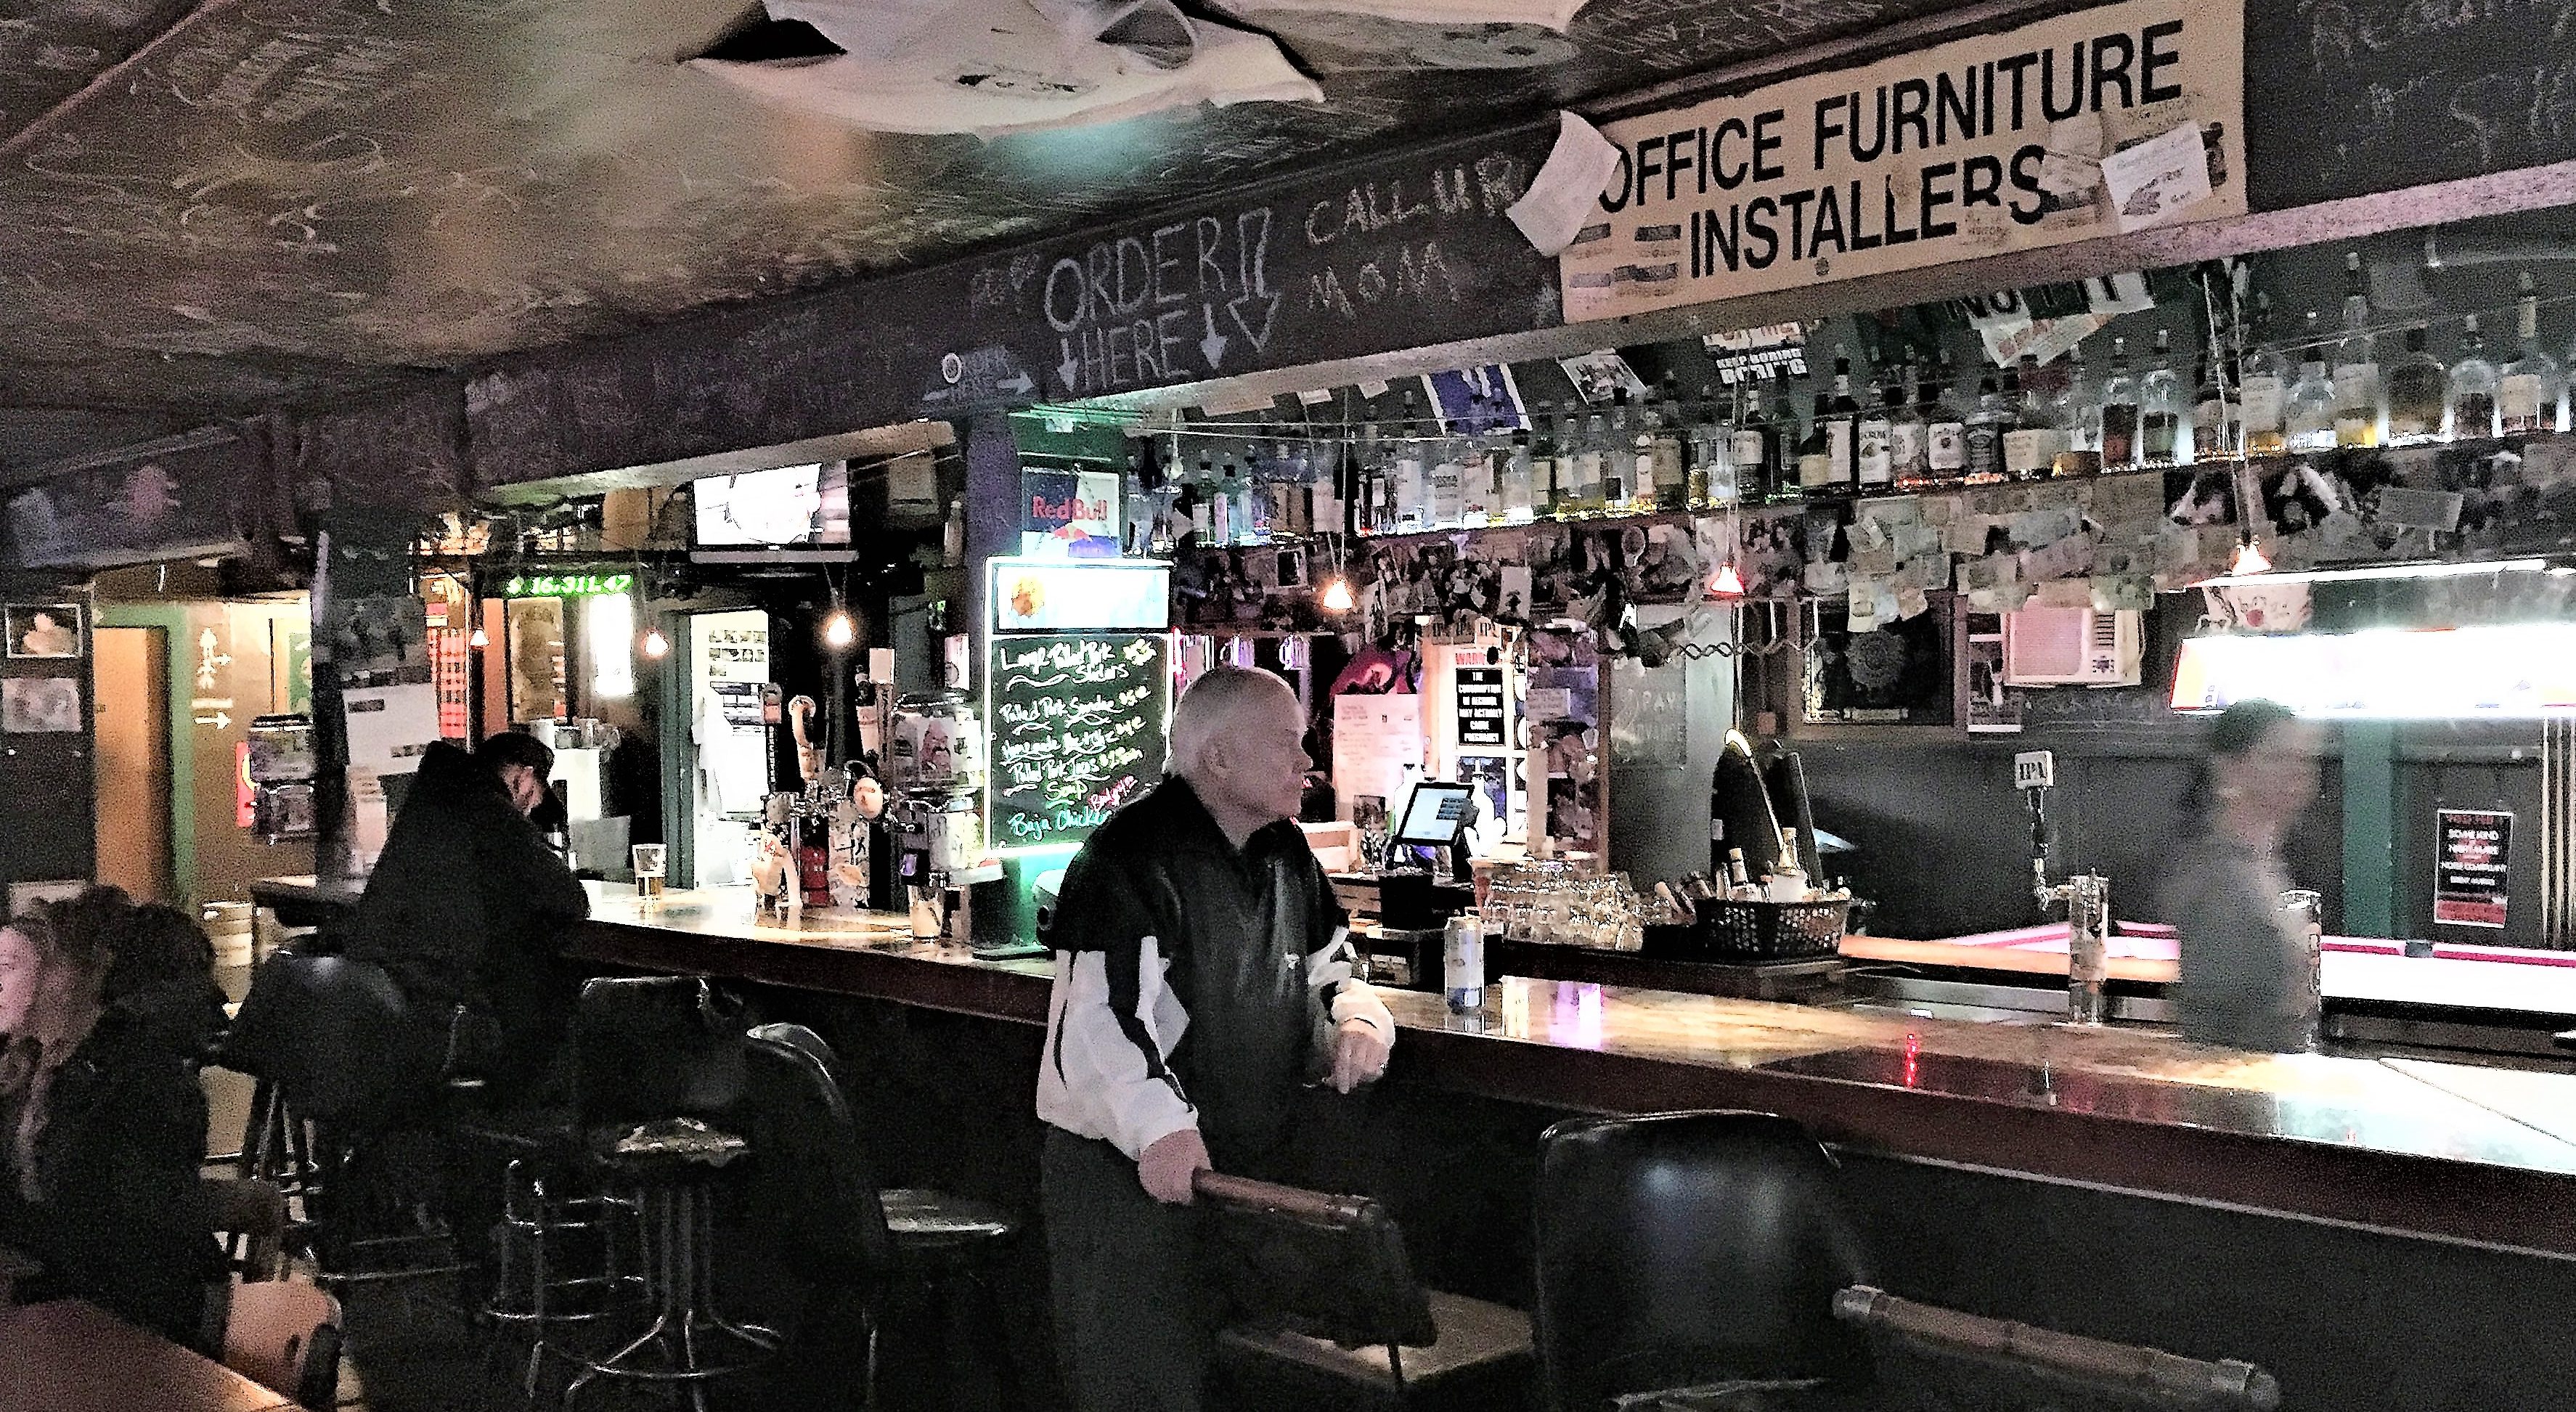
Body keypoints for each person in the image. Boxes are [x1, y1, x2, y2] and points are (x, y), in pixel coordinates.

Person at [1036, 665, 1395, 1412]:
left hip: (1243, 1179)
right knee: (1142, 1392)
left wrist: (1357, 1020)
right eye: (1286, 741)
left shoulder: (1284, 851)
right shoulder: (1127, 857)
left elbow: (1332, 968)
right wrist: (1159, 1127)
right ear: (1219, 758)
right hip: (1128, 1183)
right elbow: (1099, 1025)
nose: (1306, 759)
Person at [0, 887, 225, 1344]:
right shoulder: (40, 1063)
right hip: (60, 1310)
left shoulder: (136, 1080)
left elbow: (117, 1234)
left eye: (44, 962)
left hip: (128, 1333)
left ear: (93, 973)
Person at [347, 730, 592, 1103]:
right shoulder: (489, 810)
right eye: (533, 800)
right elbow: (569, 898)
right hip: (441, 1015)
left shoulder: (431, 801)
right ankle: (523, 1124)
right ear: (523, 778)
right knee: (558, 1010)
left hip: (382, 1001)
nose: (528, 811)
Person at [2164, 700, 2324, 1053]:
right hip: (2233, 1077)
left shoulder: (2261, 862)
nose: (2299, 772)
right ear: (2228, 769)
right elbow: (2222, 1022)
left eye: (2305, 758)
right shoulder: (2218, 877)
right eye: (2279, 757)